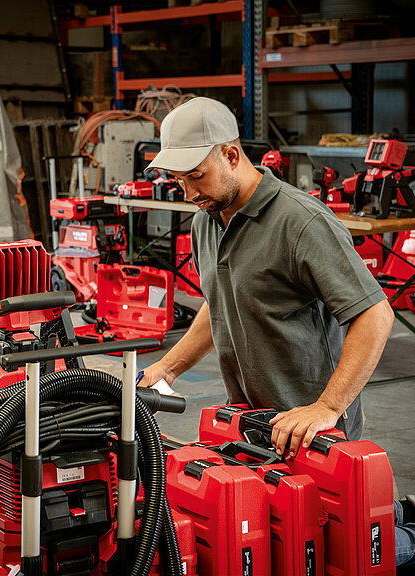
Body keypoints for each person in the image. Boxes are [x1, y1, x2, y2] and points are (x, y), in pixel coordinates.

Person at [139, 97, 414, 566]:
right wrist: (168, 366)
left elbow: (375, 315)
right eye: (179, 181)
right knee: (277, 542)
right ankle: (398, 514)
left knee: (339, 553)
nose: (188, 193)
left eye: (196, 176)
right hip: (251, 425)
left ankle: (398, 529)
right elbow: (221, 299)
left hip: (313, 429)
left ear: (230, 155)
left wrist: (327, 407)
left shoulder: (301, 222)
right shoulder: (208, 221)